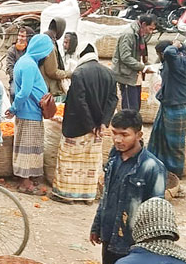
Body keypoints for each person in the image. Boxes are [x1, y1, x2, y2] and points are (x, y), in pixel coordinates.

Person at [91, 110, 167, 264]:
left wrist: (149, 250)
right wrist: (97, 226)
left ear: (139, 135)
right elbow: (106, 196)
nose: (118, 140)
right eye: (114, 134)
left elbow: (156, 213)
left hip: (133, 244)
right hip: (110, 237)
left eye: (125, 135)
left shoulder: (152, 168)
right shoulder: (114, 157)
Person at [52, 43, 118, 203]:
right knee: (89, 162)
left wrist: (90, 125)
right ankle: (87, 196)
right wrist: (103, 123)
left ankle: (67, 195)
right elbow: (113, 99)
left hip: (77, 126)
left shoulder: (79, 73)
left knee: (70, 162)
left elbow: (79, 102)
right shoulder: (109, 73)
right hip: (98, 129)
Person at [10, 33, 54, 195]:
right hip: (28, 112)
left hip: (31, 112)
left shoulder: (27, 62)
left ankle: (28, 178)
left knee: (29, 145)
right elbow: (24, 92)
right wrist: (14, 108)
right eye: (47, 51)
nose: (48, 55)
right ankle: (25, 183)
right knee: (27, 148)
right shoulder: (28, 64)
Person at [147, 40, 186, 177]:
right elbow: (180, 49)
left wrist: (175, 44)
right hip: (168, 105)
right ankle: (160, 167)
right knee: (160, 137)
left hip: (177, 109)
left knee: (174, 145)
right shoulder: (179, 59)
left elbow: (169, 52)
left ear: (162, 54)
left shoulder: (176, 63)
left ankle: (175, 174)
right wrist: (178, 45)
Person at [113, 15, 157, 111]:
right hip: (127, 76)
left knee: (135, 107)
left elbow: (141, 55)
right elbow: (125, 57)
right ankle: (128, 126)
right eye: (150, 28)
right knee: (130, 108)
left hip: (135, 76)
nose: (150, 32)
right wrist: (143, 68)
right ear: (144, 24)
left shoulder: (139, 35)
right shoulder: (128, 35)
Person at [40, 20, 70, 96]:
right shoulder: (50, 45)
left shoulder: (42, 39)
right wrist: (67, 74)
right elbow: (52, 72)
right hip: (47, 87)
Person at [4, 25, 30, 96]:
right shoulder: (12, 50)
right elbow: (10, 68)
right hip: (16, 79)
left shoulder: (30, 50)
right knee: (14, 93)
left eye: (23, 36)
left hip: (29, 78)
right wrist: (18, 79)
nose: (20, 38)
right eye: (19, 35)